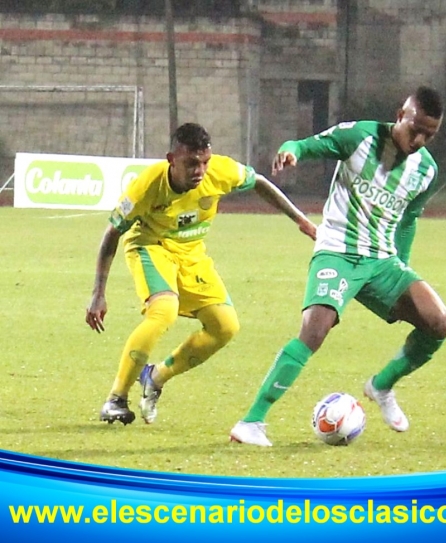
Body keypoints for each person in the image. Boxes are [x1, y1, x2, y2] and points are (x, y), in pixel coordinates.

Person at [230, 86, 446, 447]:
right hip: (337, 251)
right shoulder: (359, 136)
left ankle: (382, 386)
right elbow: (305, 145)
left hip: (382, 261)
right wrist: (290, 152)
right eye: (416, 128)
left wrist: (402, 267)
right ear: (400, 115)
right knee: (315, 330)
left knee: (438, 322)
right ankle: (251, 421)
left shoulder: (426, 171)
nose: (421, 139)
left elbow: (408, 219)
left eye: (431, 134)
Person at [86, 122, 317, 425]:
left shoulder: (221, 171)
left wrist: (301, 220)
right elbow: (111, 235)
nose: (200, 170)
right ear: (172, 159)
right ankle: (116, 398)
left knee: (225, 326)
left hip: (192, 253)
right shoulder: (146, 187)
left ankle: (156, 377)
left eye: (204, 162)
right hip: (150, 246)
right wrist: (98, 293)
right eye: (191, 163)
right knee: (163, 311)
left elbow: (259, 182)